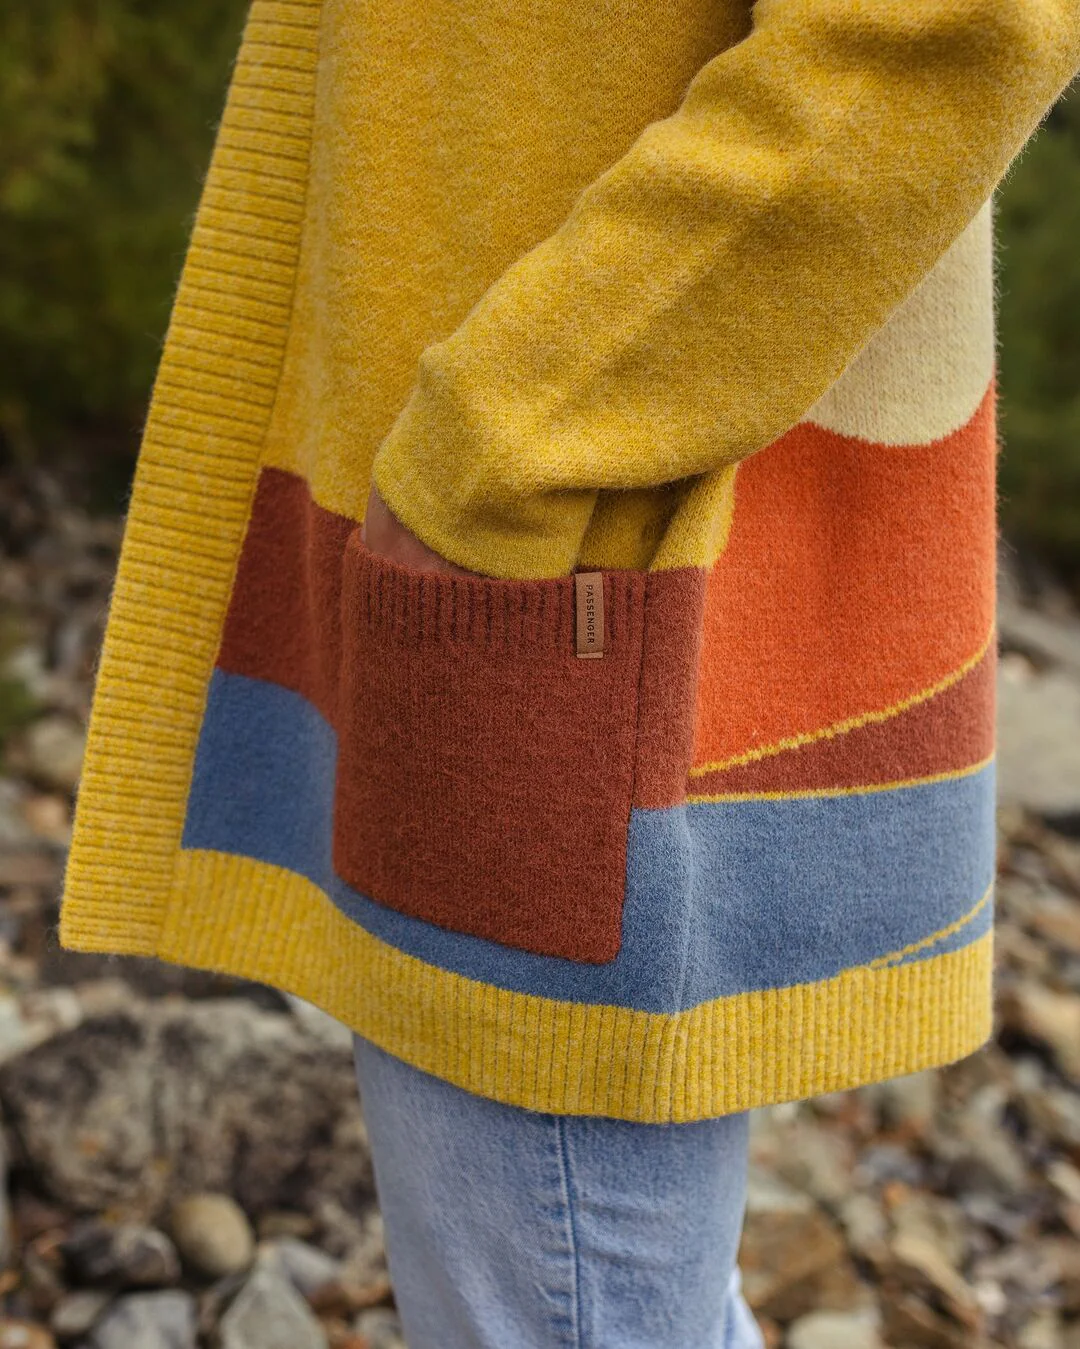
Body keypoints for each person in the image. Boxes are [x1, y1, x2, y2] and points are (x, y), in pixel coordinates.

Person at [59, 0, 1080, 1344]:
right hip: (525, 526)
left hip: (568, 542)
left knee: (566, 1303)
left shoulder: (512, 473)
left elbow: (951, 26)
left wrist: (508, 442)